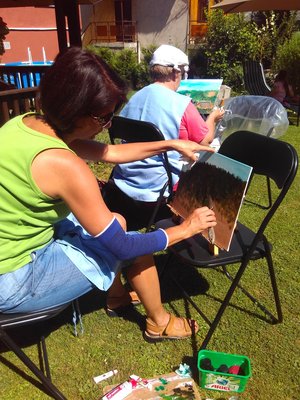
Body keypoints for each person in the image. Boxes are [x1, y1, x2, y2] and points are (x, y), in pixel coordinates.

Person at [0, 47, 217, 343]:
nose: (109, 125)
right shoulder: (66, 165)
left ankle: (118, 297)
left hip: (11, 253)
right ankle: (159, 321)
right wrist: (185, 229)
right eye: (104, 118)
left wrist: (171, 143)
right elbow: (123, 247)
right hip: (12, 282)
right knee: (123, 233)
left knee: (115, 220)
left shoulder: (24, 124)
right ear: (76, 111)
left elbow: (111, 152)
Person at [102, 44, 224, 230]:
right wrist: (214, 117)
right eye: (183, 73)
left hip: (123, 181)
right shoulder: (181, 104)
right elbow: (204, 140)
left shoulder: (135, 98)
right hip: (156, 191)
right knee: (213, 150)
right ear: (176, 73)